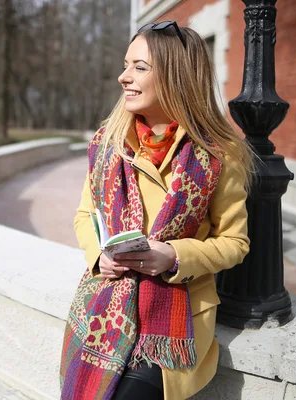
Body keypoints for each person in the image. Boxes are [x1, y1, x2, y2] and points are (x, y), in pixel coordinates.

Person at [60, 21, 254, 400]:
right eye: (125, 64)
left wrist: (174, 255)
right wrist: (99, 256)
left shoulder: (219, 154)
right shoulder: (108, 144)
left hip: (171, 323)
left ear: (175, 74)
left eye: (139, 67)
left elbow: (235, 242)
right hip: (105, 307)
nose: (123, 77)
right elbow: (85, 216)